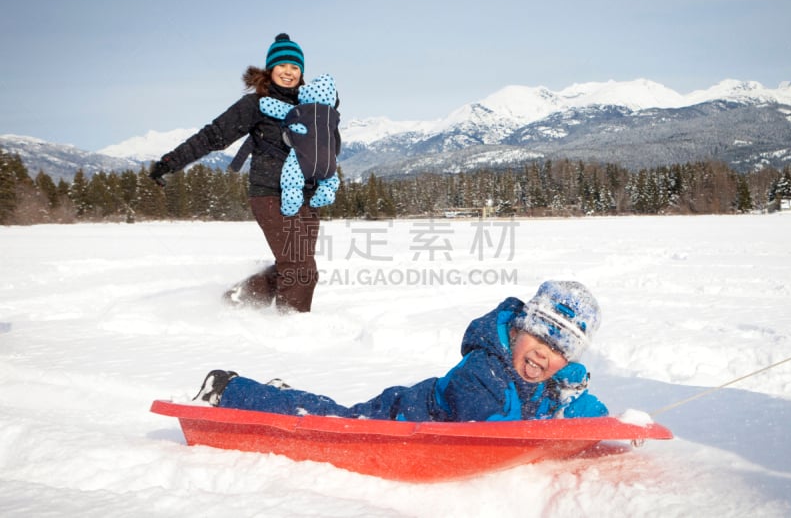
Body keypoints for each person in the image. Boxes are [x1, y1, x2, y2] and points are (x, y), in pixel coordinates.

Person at [192, 280, 609, 421]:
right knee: (329, 419)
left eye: (557, 351)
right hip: (400, 414)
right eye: (538, 340)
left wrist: (602, 421)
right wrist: (557, 410)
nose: (542, 356)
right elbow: (499, 425)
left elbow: (567, 406)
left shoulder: (550, 377)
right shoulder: (485, 371)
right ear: (519, 331)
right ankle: (230, 389)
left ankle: (277, 391)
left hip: (420, 416)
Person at [149, 33, 335, 313]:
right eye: (282, 65)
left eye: (295, 67)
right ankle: (291, 329)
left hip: (307, 198)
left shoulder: (311, 108)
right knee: (300, 267)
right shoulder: (255, 104)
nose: (289, 72)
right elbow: (213, 135)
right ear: (270, 69)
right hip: (271, 195)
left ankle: (239, 300)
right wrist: (171, 161)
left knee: (293, 263)